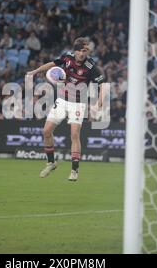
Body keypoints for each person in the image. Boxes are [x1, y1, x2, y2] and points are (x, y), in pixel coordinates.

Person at [26, 37, 104, 181]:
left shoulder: (91, 66)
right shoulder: (67, 57)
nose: (82, 53)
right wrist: (35, 71)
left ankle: (74, 170)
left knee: (74, 134)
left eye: (85, 51)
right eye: (80, 50)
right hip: (62, 100)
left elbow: (103, 85)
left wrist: (98, 104)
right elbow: (52, 64)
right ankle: (51, 163)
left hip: (78, 103)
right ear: (75, 51)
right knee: (46, 131)